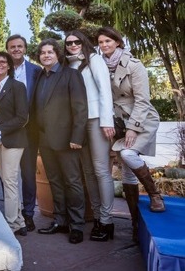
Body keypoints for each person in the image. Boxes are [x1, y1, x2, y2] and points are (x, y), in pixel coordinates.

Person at [96, 26, 165, 243]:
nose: (105, 45)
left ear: (117, 42)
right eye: (101, 42)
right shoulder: (100, 67)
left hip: (141, 119)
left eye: (108, 41)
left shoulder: (134, 65)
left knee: (127, 155)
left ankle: (154, 194)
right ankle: (135, 225)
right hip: (118, 122)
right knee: (125, 171)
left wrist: (134, 127)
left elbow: (143, 100)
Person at [32, 39, 88, 244]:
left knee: (72, 182)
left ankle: (77, 225)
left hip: (67, 140)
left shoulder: (71, 75)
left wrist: (77, 137)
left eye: (50, 52)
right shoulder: (40, 76)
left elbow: (80, 108)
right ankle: (60, 221)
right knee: (54, 181)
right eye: (43, 53)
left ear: (57, 54)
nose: (46, 55)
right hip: (44, 139)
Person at [64, 30, 115, 242]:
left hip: (96, 120)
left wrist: (106, 121)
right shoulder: (69, 64)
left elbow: (105, 90)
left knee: (101, 170)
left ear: (83, 42)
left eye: (77, 41)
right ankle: (97, 217)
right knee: (88, 172)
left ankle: (107, 220)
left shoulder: (94, 59)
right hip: (79, 123)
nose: (73, 45)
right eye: (69, 43)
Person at [0, 51, 29, 236]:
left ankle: (10, 225)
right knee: (6, 180)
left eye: (3, 62)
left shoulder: (17, 86)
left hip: (12, 139)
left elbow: (22, 117)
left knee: (10, 181)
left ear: (9, 65)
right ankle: (19, 221)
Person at [6, 34, 41, 231]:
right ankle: (12, 213)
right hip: (8, 131)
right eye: (12, 47)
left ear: (25, 49)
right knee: (8, 175)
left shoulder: (36, 71)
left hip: (30, 131)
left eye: (20, 46)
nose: (16, 49)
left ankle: (28, 214)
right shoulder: (0, 70)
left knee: (28, 173)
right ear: (8, 49)